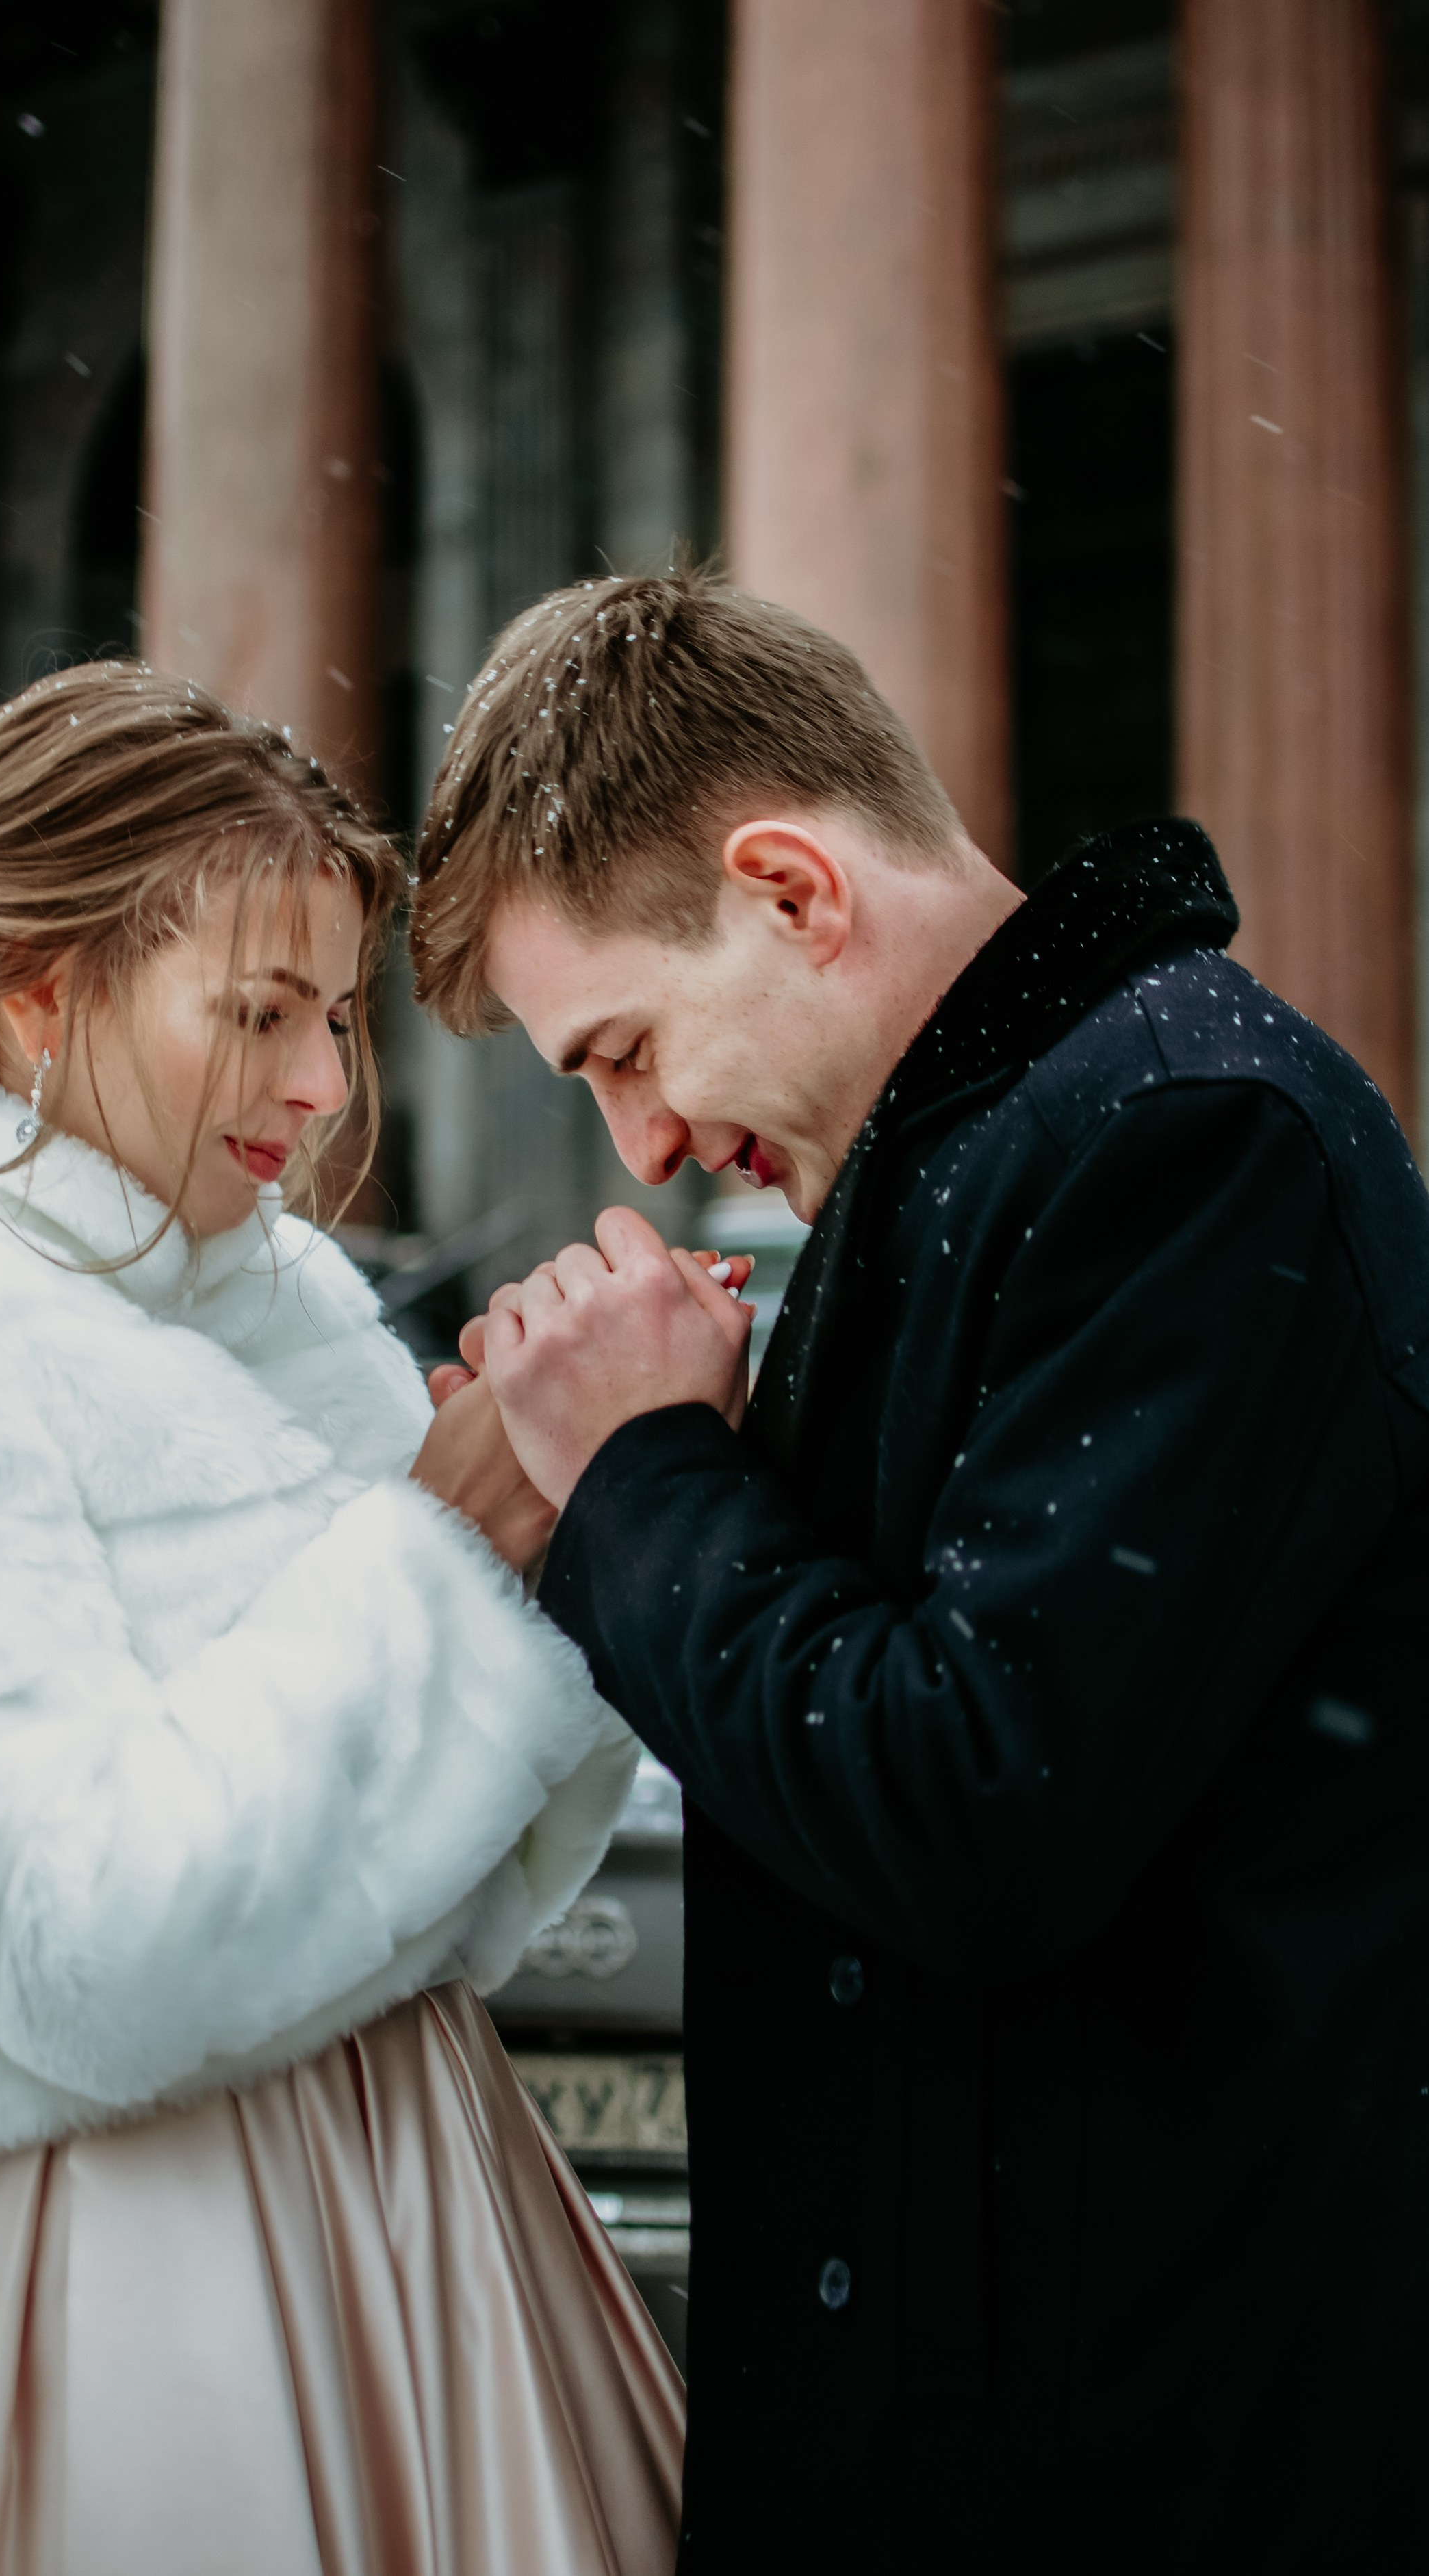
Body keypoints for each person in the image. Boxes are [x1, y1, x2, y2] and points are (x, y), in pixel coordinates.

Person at [409, 568, 1429, 2574]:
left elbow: (977, 1801)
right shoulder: (983, 1158)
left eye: (624, 1047)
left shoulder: (1189, 1134)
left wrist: (639, 1467)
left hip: (1158, 2454)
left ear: (791, 888)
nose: (643, 1144)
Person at [0, 662, 684, 2575]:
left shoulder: (291, 1295)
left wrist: (568, 1519)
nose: (323, 1086)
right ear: (42, 988)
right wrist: (445, 1544)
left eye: (333, 1017)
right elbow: (83, 1956)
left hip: (448, 2203)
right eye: (257, 1015)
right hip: (149, 2274)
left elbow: (473, 1900)